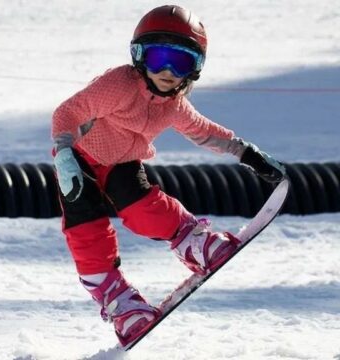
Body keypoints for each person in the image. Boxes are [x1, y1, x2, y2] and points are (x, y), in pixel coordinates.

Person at [51, 5, 286, 347]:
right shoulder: (118, 84)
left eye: (181, 62)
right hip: (78, 161)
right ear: (139, 55)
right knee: (87, 231)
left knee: (146, 208)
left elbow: (204, 131)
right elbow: (68, 111)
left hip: (122, 162)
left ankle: (193, 242)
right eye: (160, 56)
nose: (168, 71)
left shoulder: (174, 104)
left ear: (195, 69)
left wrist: (246, 153)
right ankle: (119, 303)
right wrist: (65, 154)